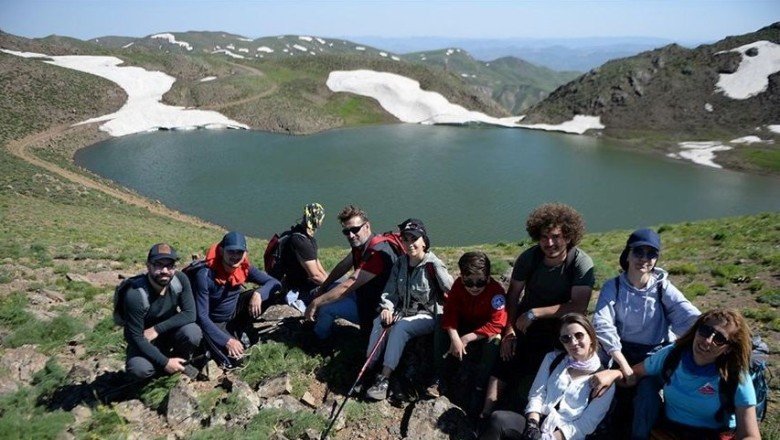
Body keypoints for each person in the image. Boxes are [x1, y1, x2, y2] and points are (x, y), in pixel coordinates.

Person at [482, 203, 595, 417]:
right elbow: (513, 296)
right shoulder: (529, 258)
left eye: (556, 237)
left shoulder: (580, 263)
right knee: (506, 357)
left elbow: (578, 305)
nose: (549, 243)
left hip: (562, 326)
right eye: (544, 237)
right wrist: (509, 331)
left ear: (568, 236)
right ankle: (486, 412)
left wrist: (535, 313)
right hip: (526, 322)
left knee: (547, 365)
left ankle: (532, 415)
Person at [592, 228, 700, 438]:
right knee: (602, 384)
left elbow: (688, 317)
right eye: (638, 252)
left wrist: (712, 330)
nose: (644, 259)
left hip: (654, 355)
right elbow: (602, 324)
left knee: (647, 394)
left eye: (651, 254)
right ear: (628, 254)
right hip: (620, 353)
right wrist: (623, 365)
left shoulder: (662, 288)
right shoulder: (613, 286)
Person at [590, 309, 761, 440]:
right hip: (670, 429)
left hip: (712, 434)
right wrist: (612, 374)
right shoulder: (673, 354)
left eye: (719, 339)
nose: (707, 340)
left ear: (728, 348)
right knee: (647, 385)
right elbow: (634, 374)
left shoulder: (735, 376)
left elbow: (751, 435)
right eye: (705, 330)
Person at [480, 313, 615, 440]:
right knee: (498, 419)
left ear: (591, 336)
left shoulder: (604, 381)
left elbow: (586, 425)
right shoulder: (553, 359)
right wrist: (532, 424)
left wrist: (549, 438)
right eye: (566, 338)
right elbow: (537, 394)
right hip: (538, 422)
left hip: (564, 435)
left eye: (579, 335)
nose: (573, 342)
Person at [364, 218, 454, 401]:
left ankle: (384, 378)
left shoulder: (433, 264)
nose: (409, 243)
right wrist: (387, 308)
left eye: (414, 239)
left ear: (424, 241)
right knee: (379, 322)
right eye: (405, 239)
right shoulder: (400, 263)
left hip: (427, 315)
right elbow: (390, 292)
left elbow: (452, 290)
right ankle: (368, 368)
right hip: (403, 311)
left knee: (400, 328)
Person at [304, 205, 401, 341]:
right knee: (331, 288)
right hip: (364, 296)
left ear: (367, 226)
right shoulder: (363, 244)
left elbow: (348, 284)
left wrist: (316, 303)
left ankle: (317, 339)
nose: (351, 235)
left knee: (326, 307)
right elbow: (343, 266)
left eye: (355, 230)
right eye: (346, 231)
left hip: (375, 310)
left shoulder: (378, 253)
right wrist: (324, 287)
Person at [193, 231, 281, 368]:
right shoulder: (205, 276)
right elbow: (202, 316)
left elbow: (275, 283)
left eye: (239, 252)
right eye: (231, 252)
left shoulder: (244, 268)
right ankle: (228, 337)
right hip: (214, 321)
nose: (235, 256)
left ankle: (241, 328)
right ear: (221, 251)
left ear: (245, 254)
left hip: (234, 312)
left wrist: (259, 294)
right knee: (236, 361)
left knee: (271, 294)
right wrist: (227, 341)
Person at [437, 251, 507, 410]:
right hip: (464, 324)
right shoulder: (458, 286)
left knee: (495, 341)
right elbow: (449, 311)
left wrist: (467, 338)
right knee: (439, 325)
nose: (474, 287)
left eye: (480, 282)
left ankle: (479, 387)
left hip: (483, 331)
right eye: (469, 282)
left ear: (488, 278)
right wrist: (454, 337)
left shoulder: (496, 292)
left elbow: (497, 323)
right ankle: (440, 377)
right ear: (462, 278)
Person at [123, 243, 202, 380]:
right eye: (158, 265)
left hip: (170, 333)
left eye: (169, 265)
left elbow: (190, 314)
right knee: (138, 369)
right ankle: (163, 369)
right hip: (145, 340)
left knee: (192, 332)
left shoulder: (180, 280)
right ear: (148, 266)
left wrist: (157, 329)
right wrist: (165, 363)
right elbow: (135, 337)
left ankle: (179, 362)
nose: (165, 270)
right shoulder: (135, 294)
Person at [273, 203, 328, 311]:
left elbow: (316, 263)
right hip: (300, 289)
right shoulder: (301, 241)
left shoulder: (297, 235)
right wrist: (332, 287)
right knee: (338, 292)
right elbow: (315, 276)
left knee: (338, 282)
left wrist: (328, 280)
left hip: (293, 283)